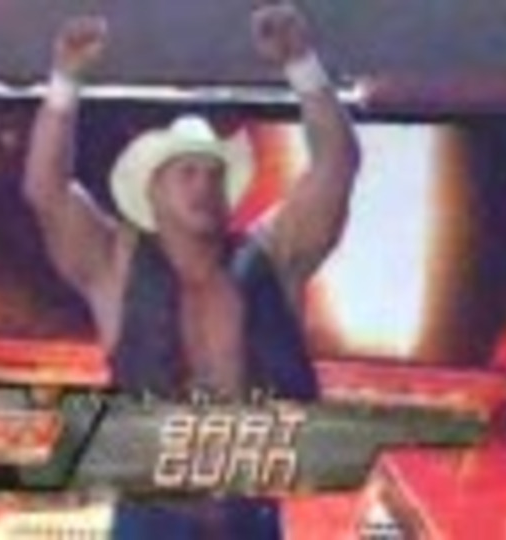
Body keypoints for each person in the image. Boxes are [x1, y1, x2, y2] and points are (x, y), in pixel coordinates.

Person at [24, 3, 361, 402]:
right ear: (153, 191)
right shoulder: (116, 267)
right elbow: (47, 189)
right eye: (187, 173)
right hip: (149, 443)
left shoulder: (273, 255)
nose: (204, 186)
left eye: (214, 175)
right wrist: (65, 81)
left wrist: (301, 63)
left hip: (274, 440)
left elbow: (336, 165)